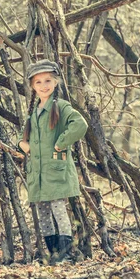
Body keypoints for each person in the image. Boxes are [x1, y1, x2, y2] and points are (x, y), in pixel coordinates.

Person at [18, 59, 88, 264]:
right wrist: (23, 145)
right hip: (38, 173)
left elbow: (80, 125)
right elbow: (26, 137)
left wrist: (60, 143)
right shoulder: (33, 112)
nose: (44, 85)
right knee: (43, 213)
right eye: (38, 82)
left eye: (48, 80)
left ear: (56, 82)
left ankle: (65, 254)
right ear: (32, 86)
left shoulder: (62, 107)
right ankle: (53, 254)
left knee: (59, 210)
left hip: (55, 171)